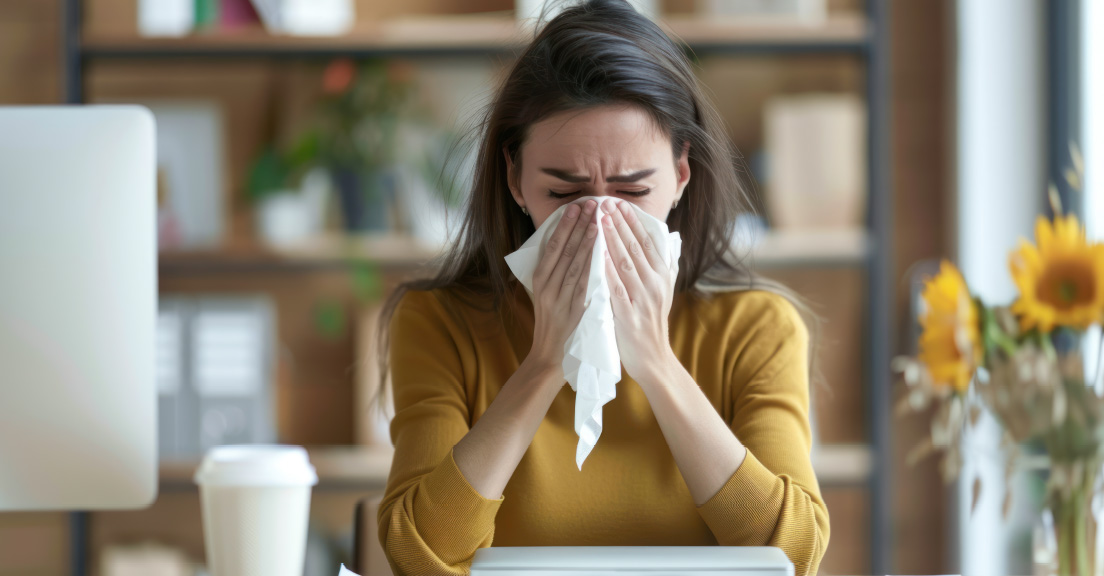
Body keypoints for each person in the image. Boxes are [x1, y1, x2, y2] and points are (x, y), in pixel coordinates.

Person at [373, 1, 830, 574]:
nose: (598, 222)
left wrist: (656, 363)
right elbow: (418, 556)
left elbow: (794, 556)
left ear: (681, 174)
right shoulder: (441, 322)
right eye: (564, 194)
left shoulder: (755, 328)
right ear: (515, 178)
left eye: (632, 193)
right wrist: (544, 363)